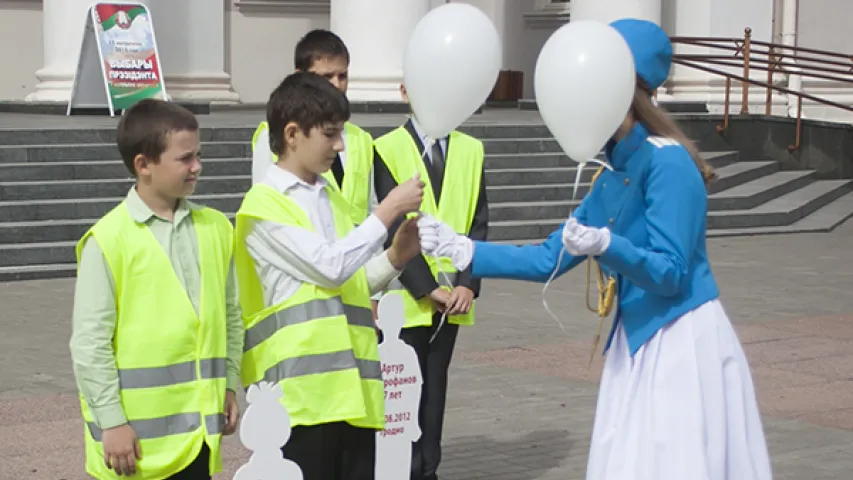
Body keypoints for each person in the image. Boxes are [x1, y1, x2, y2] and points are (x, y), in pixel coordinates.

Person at [417, 18, 772, 480]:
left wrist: (610, 245)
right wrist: (465, 251)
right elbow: (549, 257)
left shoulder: (667, 162)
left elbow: (671, 274)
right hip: (636, 338)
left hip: (681, 339)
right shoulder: (610, 171)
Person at [234, 71, 426, 480]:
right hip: (300, 398)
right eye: (329, 134)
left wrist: (395, 256)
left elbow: (347, 284)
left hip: (351, 393)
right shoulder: (263, 206)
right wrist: (387, 211)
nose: (339, 146)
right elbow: (332, 265)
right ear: (292, 134)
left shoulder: (328, 194)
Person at [69, 99, 243, 480]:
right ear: (143, 165)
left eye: (198, 155)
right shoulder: (108, 239)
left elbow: (231, 315)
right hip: (132, 447)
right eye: (184, 158)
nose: (197, 166)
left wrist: (229, 384)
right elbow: (89, 343)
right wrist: (112, 422)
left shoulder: (216, 228)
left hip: (198, 438)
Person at [372, 83, 489, 480]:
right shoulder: (385, 147)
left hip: (453, 298)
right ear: (406, 91)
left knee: (434, 395)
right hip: (405, 300)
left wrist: (467, 284)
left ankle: (428, 472)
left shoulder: (472, 149)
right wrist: (427, 287)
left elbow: (479, 223)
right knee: (401, 396)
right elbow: (391, 227)